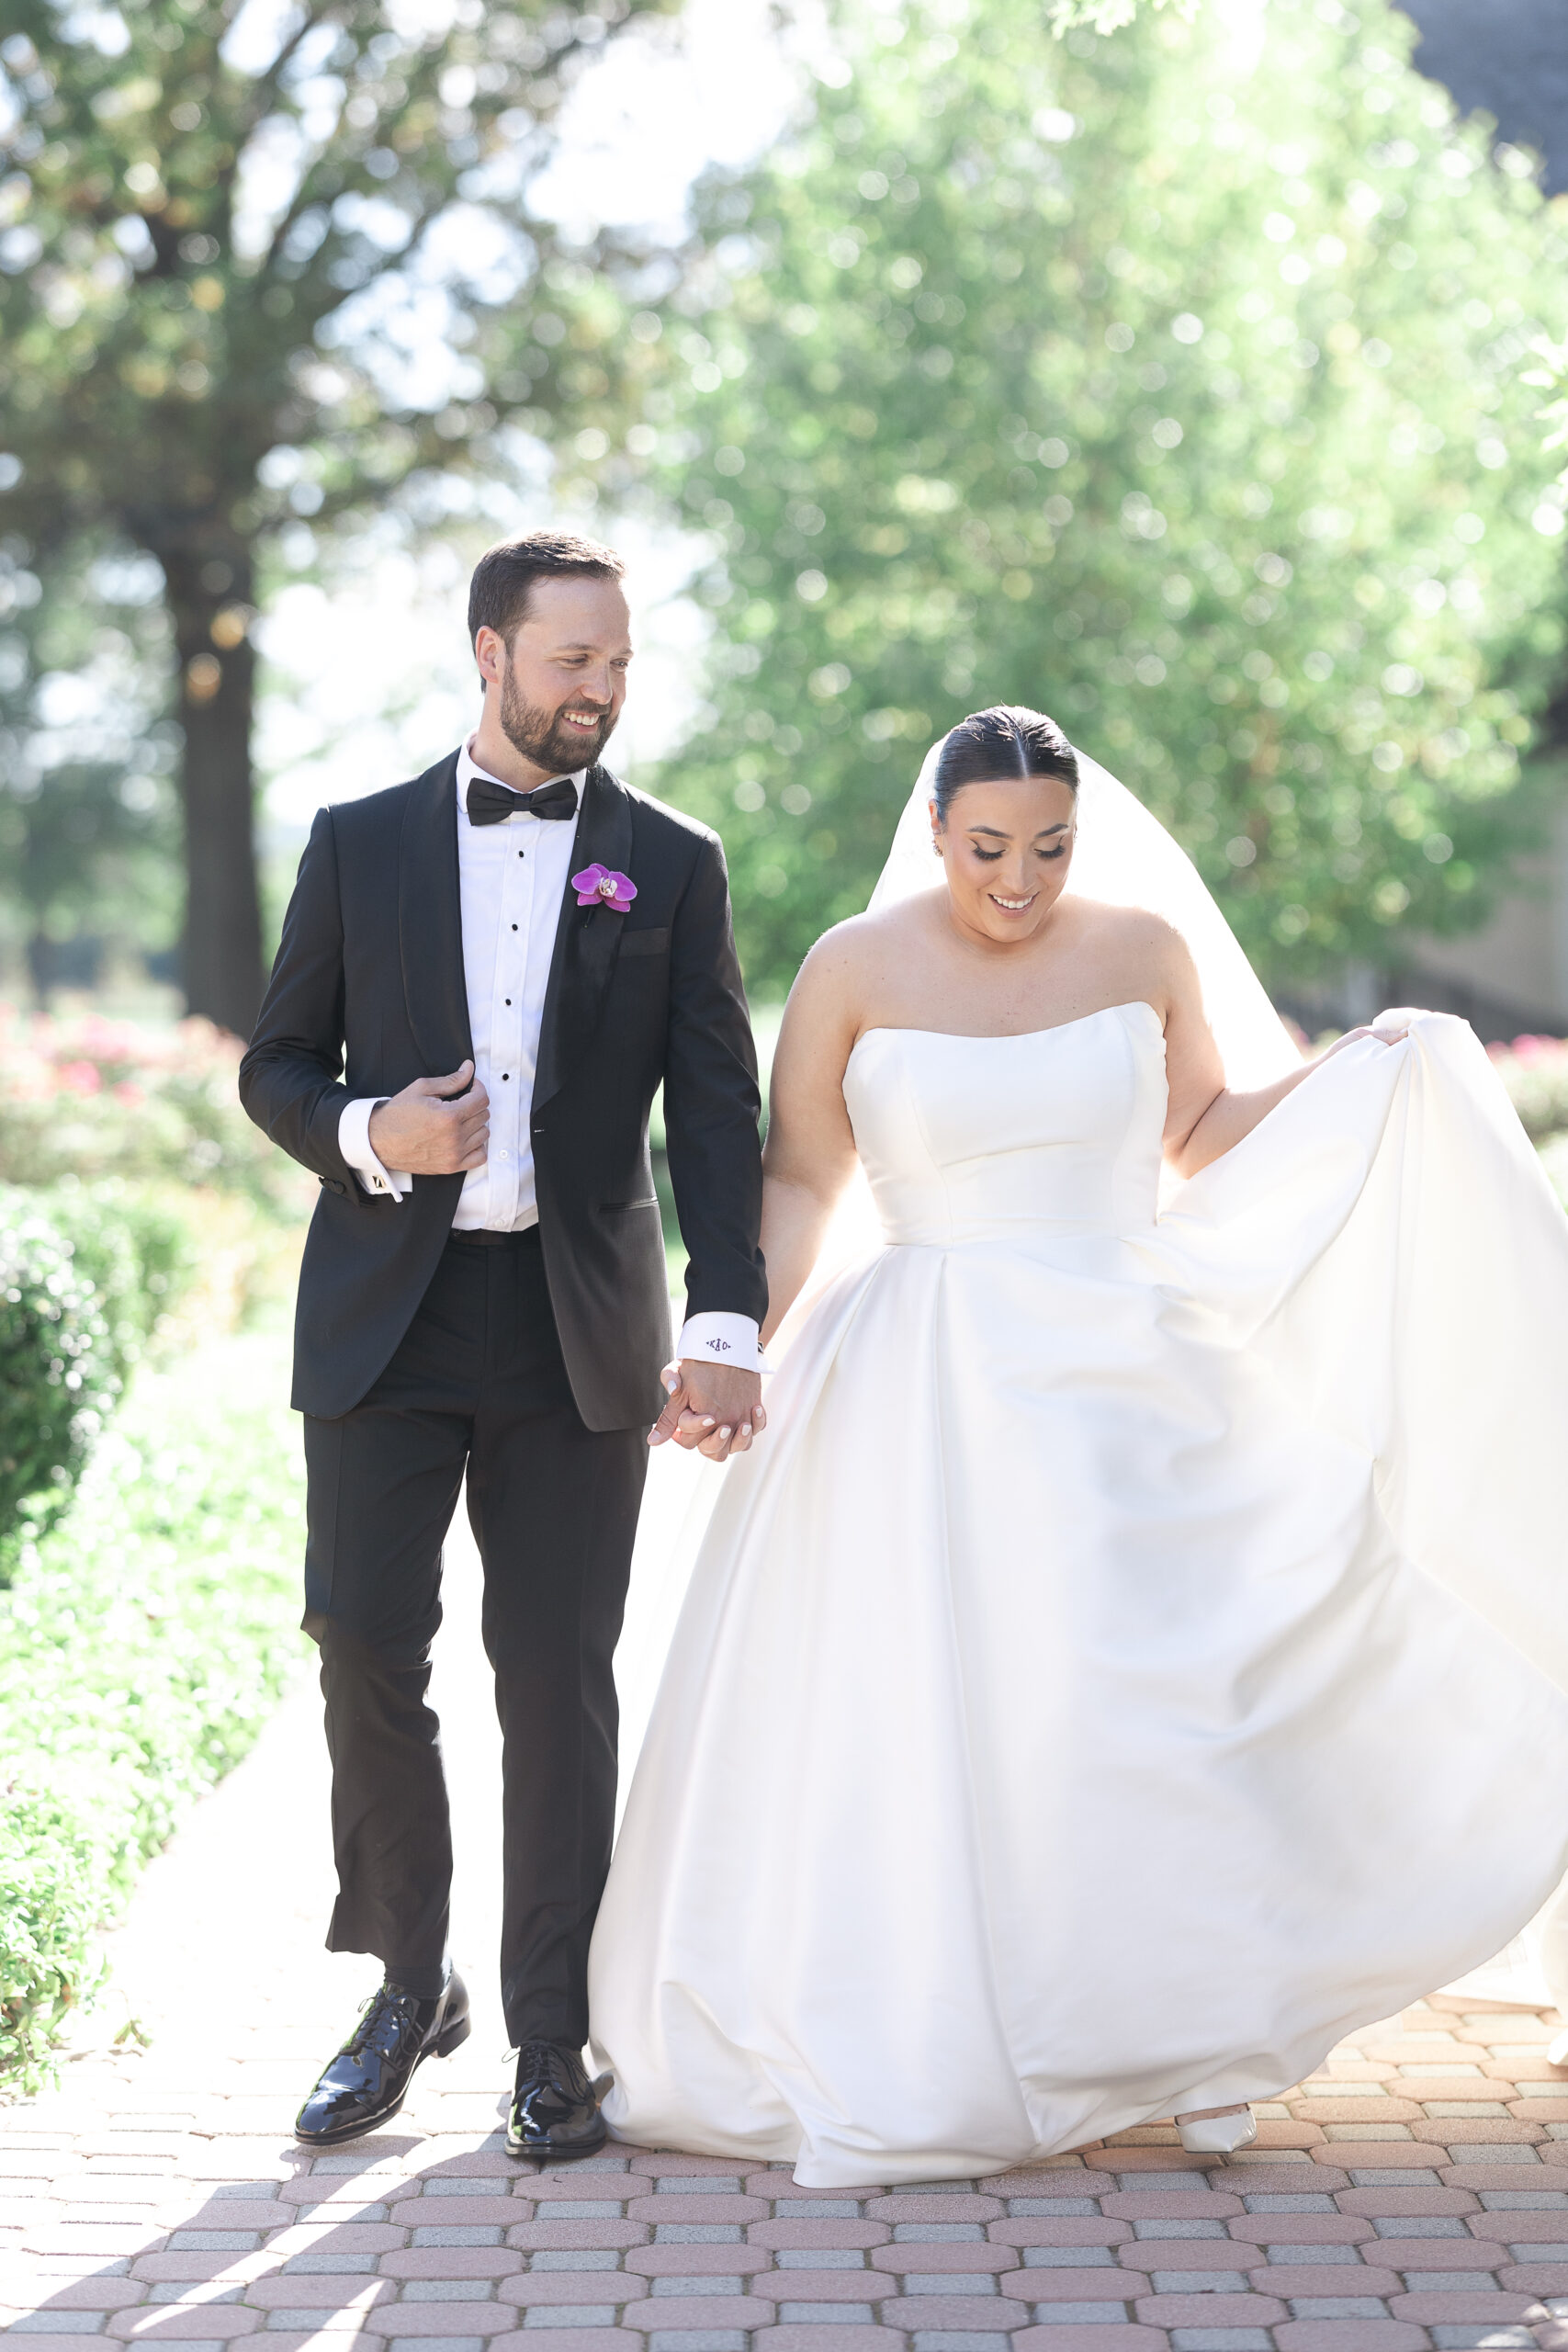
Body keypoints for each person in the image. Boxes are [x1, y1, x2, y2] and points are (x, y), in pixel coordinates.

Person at [587, 703, 1568, 2188]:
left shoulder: (1140, 952)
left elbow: (1202, 1132)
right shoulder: (852, 971)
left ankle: (1205, 2036)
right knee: (955, 1714)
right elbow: (799, 1183)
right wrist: (731, 1344)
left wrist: (1362, 1072)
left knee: (1160, 1700)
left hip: (1127, 1363)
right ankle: (956, 2020)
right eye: (989, 848)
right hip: (918, 1376)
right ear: (933, 833)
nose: (1020, 879)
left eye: (1049, 847)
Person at [238, 529, 767, 2161]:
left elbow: (716, 1110)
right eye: (569, 661)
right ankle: (409, 1981)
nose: (599, 689)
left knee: (555, 1682)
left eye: (616, 663)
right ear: (489, 653)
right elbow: (274, 1069)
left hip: (574, 1326)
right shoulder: (361, 839)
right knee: (362, 1645)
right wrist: (374, 1126)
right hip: (386, 1318)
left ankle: (553, 2035)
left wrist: (728, 1315)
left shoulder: (670, 862)